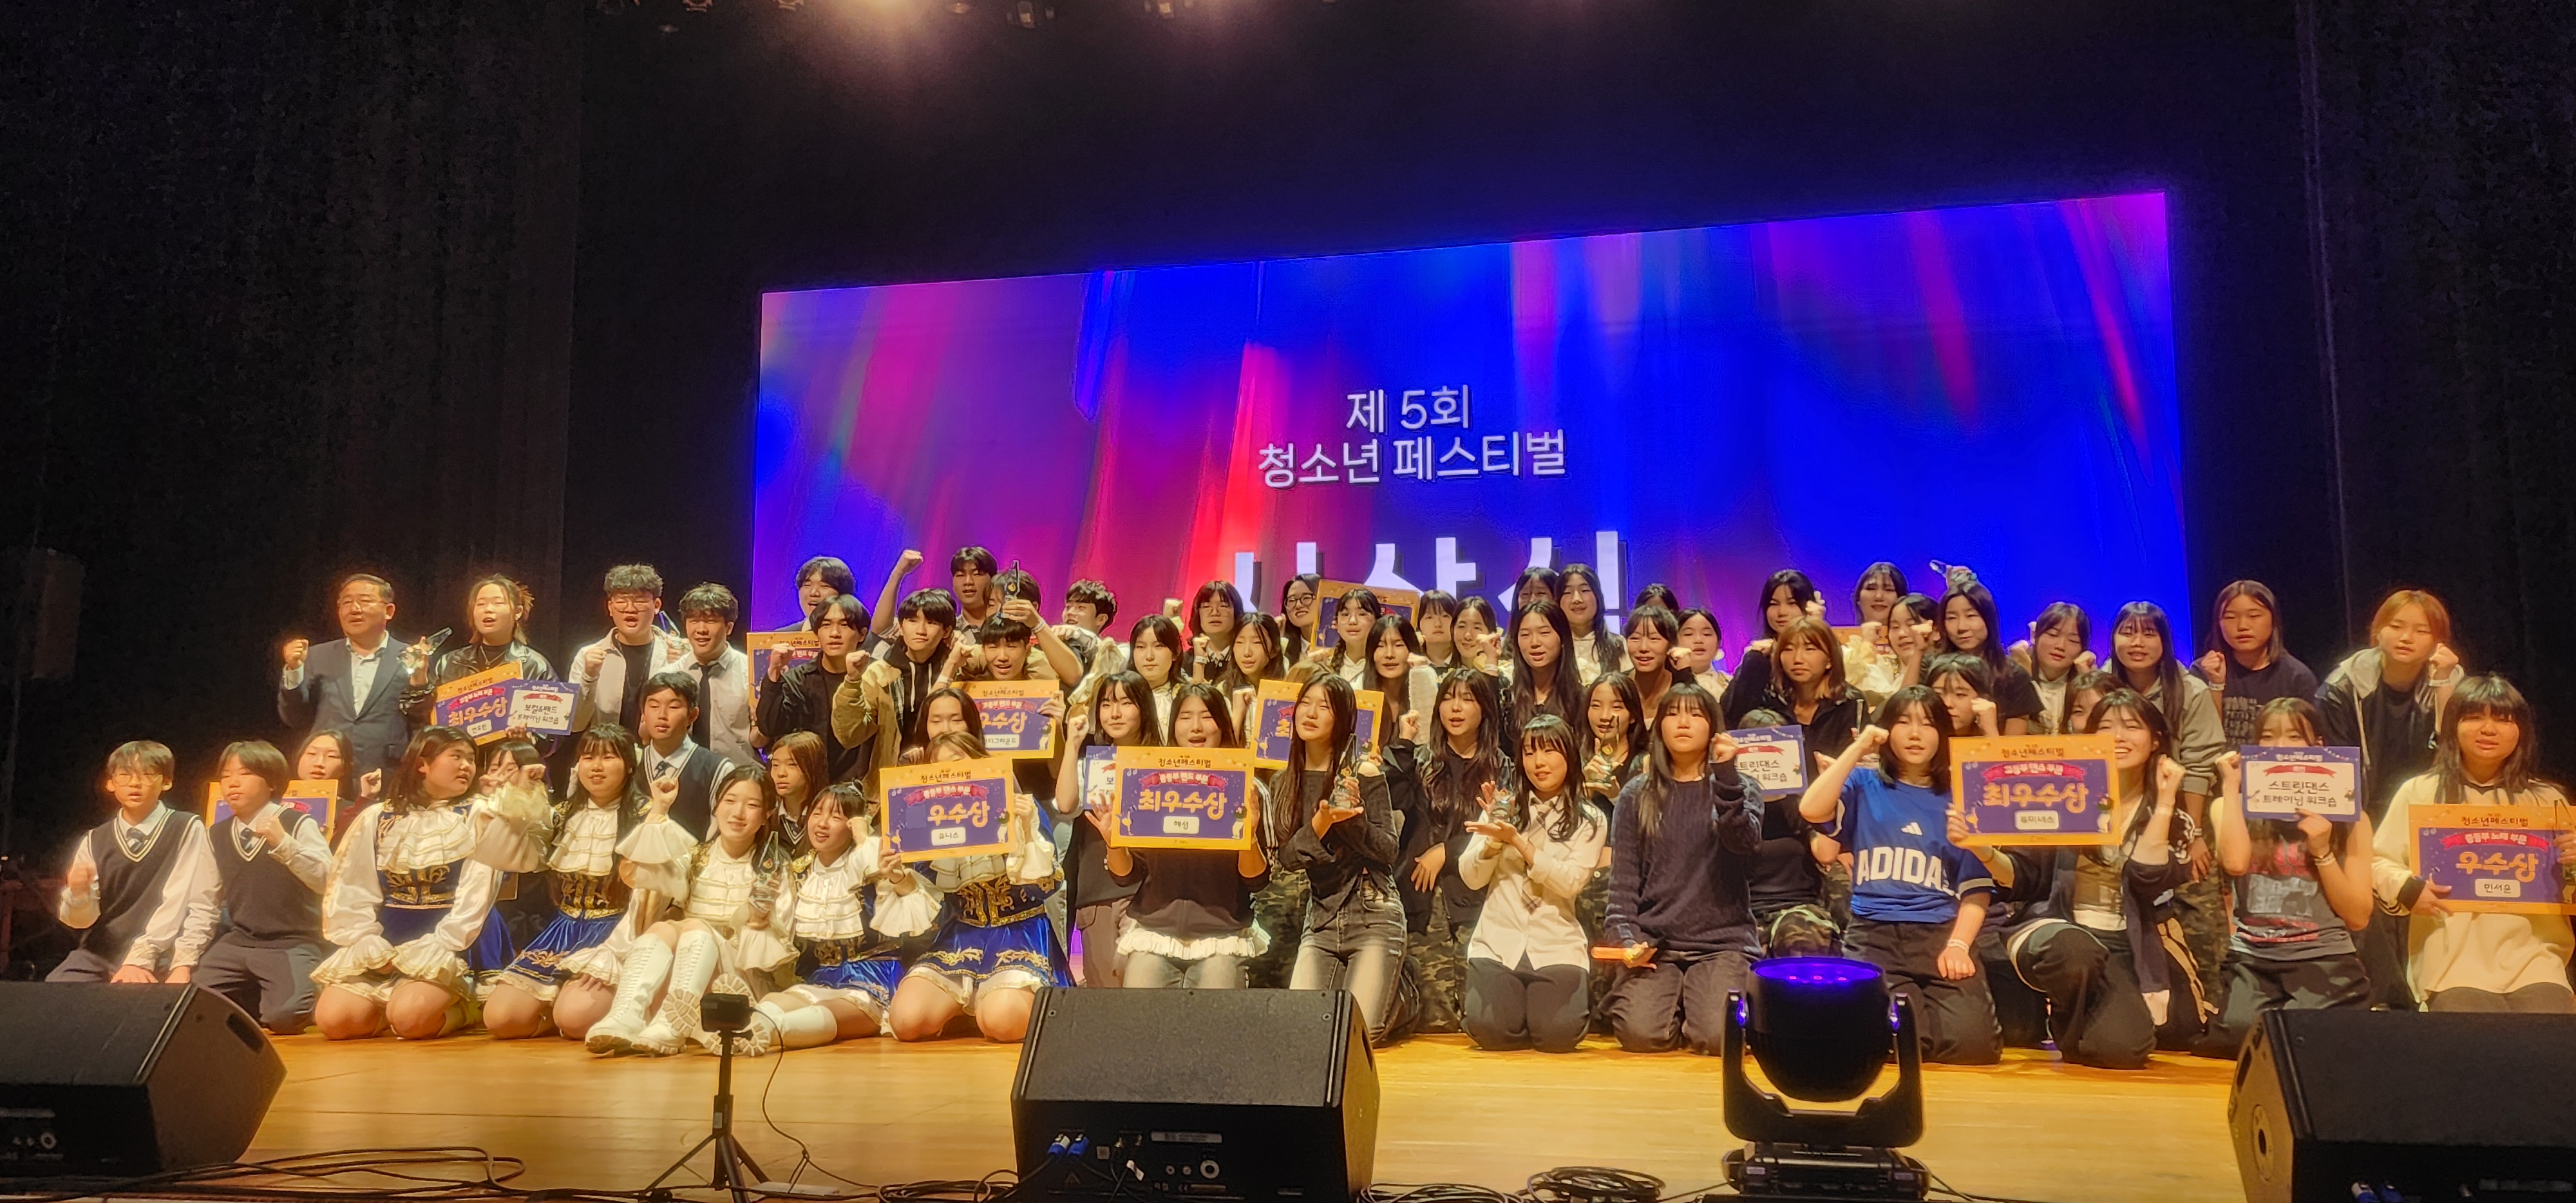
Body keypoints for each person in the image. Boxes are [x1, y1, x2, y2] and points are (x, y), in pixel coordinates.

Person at [1988, 691, 2209, 1068]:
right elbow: (2022, 877)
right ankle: (2063, 1011)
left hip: (2125, 940)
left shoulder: (2173, 819)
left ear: (2156, 740)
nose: (2118, 737)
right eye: (2106, 727)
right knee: (2076, 951)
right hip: (2056, 927)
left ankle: (2072, 1027)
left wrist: (2166, 801)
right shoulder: (2059, 796)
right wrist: (1983, 851)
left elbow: (2147, 880)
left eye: (2132, 727)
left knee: (2127, 1049)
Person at [1801, 688, 2002, 1065]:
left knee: (1974, 1048)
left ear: (1943, 734)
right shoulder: (1863, 783)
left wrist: (1959, 945)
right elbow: (1811, 809)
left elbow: (1977, 890)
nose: (1915, 734)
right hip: (1874, 936)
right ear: (1887, 731)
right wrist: (1860, 747)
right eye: (1903, 722)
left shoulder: (1963, 795)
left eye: (1927, 724)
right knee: (1896, 1043)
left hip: (1939, 935)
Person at [2370, 675, 2576, 1013]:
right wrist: (2408, 888)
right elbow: (2378, 861)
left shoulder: (2548, 800)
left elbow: (2570, 883)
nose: (2488, 729)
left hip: (2537, 960)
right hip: (2452, 964)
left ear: (2521, 731)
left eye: (2503, 720)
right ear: (2453, 726)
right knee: (2472, 1034)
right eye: (2474, 717)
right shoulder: (2420, 792)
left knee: (2552, 1031)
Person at [476, 723, 687, 1041]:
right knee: (500, 1019)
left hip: (615, 932)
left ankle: (574, 1010)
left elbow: (653, 897)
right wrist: (521, 792)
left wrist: (616, 951)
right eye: (588, 758)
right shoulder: (563, 814)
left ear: (629, 765)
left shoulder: (646, 816)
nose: (596, 767)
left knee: (574, 1019)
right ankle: (553, 1012)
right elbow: (513, 855)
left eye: (608, 758)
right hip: (562, 931)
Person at [311, 728, 520, 1040]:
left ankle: (468, 1008)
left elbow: (478, 894)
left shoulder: (478, 815)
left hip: (457, 935)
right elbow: (351, 886)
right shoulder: (378, 817)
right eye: (456, 757)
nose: (467, 766)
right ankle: (391, 1007)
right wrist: (366, 941)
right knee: (335, 1021)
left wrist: (441, 943)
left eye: (471, 759)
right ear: (422, 764)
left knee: (411, 1018)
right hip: (391, 935)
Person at [2196, 699, 2374, 1057]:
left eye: (2294, 736)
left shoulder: (2351, 817)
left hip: (2323, 956)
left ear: (2318, 746)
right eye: (2267, 737)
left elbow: (2358, 916)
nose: (2279, 747)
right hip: (2254, 956)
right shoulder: (2228, 806)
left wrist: (2323, 852)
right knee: (2238, 1034)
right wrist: (2230, 787)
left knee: (2304, 1037)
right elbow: (2235, 863)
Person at [583, 765, 796, 1056]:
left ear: (767, 815)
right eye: (730, 801)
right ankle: (626, 1015)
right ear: (716, 806)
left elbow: (778, 948)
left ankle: (674, 1023)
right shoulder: (697, 857)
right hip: (686, 968)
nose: (738, 813)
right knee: (662, 928)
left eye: (752, 805)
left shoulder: (773, 867)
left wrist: (754, 919)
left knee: (693, 927)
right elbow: (650, 872)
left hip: (740, 977)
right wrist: (660, 808)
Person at [1600, 683, 1762, 1055]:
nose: (1683, 723)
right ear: (1659, 727)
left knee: (1718, 1037)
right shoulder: (1635, 795)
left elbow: (1744, 843)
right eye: (1672, 714)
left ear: (1713, 727)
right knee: (1640, 1035)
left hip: (1722, 943)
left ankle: (1702, 1003)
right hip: (1656, 945)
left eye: (1695, 714)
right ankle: (1677, 1003)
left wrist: (1726, 777)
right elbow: (1622, 887)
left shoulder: (1742, 786)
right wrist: (1627, 940)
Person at [890, 732, 1068, 1044]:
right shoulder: (928, 825)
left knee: (1002, 1022)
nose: (950, 774)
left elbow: (1045, 888)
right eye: (939, 769)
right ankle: (966, 1006)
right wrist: (898, 878)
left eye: (958, 762)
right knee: (906, 1021)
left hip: (1021, 931)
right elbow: (935, 908)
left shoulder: (1021, 807)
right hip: (962, 935)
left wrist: (1026, 830)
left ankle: (990, 1003)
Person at [739, 784, 933, 1053]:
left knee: (822, 1012)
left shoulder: (870, 864)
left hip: (873, 976)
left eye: (836, 816)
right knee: (771, 1003)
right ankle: (740, 1029)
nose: (822, 824)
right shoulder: (798, 872)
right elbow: (783, 934)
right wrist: (760, 915)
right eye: (817, 813)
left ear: (853, 825)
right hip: (822, 976)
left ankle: (763, 1033)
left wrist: (868, 842)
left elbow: (911, 909)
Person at [1104, 683, 1271, 989]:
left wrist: (1248, 838)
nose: (1196, 726)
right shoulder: (1146, 781)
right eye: (1185, 717)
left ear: (1222, 724)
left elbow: (1257, 880)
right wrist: (1114, 842)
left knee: (1213, 1013)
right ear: (1173, 726)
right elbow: (1126, 876)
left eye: (1207, 716)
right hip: (1154, 931)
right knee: (1137, 1011)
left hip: (1222, 935)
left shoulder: (1247, 787)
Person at [1459, 715, 1607, 1053]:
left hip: (1556, 942)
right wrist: (1493, 842)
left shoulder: (1589, 818)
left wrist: (1518, 842)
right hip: (1498, 942)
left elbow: (1569, 882)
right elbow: (1471, 877)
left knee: (1558, 1035)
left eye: (1549, 751)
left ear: (1569, 755)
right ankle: (1513, 1012)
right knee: (1490, 1030)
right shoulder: (1504, 807)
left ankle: (1536, 1013)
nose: (1538, 762)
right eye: (1529, 753)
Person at [1275, 675, 1405, 1042]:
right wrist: (1323, 821)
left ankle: (1403, 993)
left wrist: (1354, 820)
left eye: (1325, 706)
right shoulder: (1284, 781)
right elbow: (1288, 858)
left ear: (1343, 719)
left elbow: (1388, 850)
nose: (1311, 713)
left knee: (1360, 1034)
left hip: (1373, 909)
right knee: (1303, 1031)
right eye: (1305, 703)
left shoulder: (1363, 772)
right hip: (1321, 917)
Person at [2107, 601, 2228, 988]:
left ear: (2165, 641)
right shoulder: (2100, 685)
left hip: (2180, 815)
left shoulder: (2190, 690)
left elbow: (2200, 765)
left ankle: (2211, 1000)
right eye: (2128, 632)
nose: (2137, 642)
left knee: (2199, 912)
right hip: (2114, 815)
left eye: (2149, 633)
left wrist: (2194, 834)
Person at [190, 740, 332, 1034]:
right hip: (240, 940)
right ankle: (259, 996)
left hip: (292, 941)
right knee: (190, 1005)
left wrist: (284, 844)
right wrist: (185, 960)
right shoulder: (216, 834)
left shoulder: (298, 823)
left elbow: (328, 881)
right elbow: (205, 901)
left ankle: (315, 990)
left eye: (244, 774)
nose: (233, 783)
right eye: (226, 776)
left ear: (271, 782)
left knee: (285, 1017)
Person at [50, 741, 218, 984]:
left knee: (139, 1001)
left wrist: (147, 958)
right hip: (102, 953)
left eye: (147, 774)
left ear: (166, 782)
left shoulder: (186, 828)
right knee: (55, 990)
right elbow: (81, 922)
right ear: (110, 784)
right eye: (125, 775)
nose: (135, 783)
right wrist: (78, 894)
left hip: (163, 951)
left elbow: (190, 901)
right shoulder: (95, 839)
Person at [1395, 668, 1504, 1036]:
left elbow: (1507, 829)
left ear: (1484, 709)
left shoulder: (1502, 767)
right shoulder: (1421, 761)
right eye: (1448, 698)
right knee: (1435, 1024)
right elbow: (1392, 800)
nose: (1455, 708)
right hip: (1425, 901)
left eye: (1467, 699)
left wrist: (1448, 849)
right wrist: (1403, 745)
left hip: (1480, 899)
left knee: (1483, 1021)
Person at [1052, 671, 1159, 987]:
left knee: (1141, 987)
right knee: (1103, 991)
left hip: (1148, 892)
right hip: (1098, 891)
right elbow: (1065, 804)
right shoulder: (1093, 763)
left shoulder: (1164, 761)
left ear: (1144, 708)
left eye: (1126, 703)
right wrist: (1072, 745)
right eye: (1107, 704)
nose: (1115, 713)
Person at [278, 573, 413, 775]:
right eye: (347, 602)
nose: (354, 609)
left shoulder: (413, 657)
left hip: (388, 770)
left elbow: (422, 719)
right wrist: (294, 670)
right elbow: (294, 718)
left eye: (365, 601)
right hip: (328, 772)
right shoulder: (316, 656)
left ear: (389, 611)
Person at [1737, 707, 1840, 958]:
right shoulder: (1730, 806)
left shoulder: (1804, 804)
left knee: (1800, 935)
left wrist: (1830, 791)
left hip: (1799, 909)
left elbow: (1826, 854)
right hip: (1742, 911)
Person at [400, 574, 559, 727]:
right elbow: (420, 719)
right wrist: (419, 677)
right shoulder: (450, 663)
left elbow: (550, 728)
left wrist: (527, 739)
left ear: (517, 612)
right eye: (481, 604)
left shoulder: (535, 666)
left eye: (498, 603)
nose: (488, 609)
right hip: (458, 746)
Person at [835, 587, 958, 784]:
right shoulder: (878, 673)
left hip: (950, 776)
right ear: (900, 627)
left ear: (947, 631)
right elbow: (851, 735)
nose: (921, 630)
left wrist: (958, 654)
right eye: (912, 621)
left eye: (932, 623)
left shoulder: (958, 667)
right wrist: (851, 683)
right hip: (891, 781)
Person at [759, 594, 876, 785]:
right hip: (809, 783)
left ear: (862, 634)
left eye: (844, 625)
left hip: (862, 783)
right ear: (816, 632)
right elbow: (770, 727)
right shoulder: (798, 679)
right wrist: (774, 672)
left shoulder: (877, 676)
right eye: (826, 625)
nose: (834, 633)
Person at [2195, 581, 2320, 745]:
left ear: (2274, 620)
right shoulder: (2201, 672)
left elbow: (2310, 740)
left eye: (2254, 616)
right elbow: (2202, 740)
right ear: (2218, 624)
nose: (2242, 626)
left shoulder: (2297, 677)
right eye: (2230, 617)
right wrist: (2216, 685)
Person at [571, 565, 689, 737]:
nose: (630, 608)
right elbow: (575, 724)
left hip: (660, 750)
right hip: (609, 750)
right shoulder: (588, 656)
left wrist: (681, 667)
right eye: (621, 601)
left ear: (656, 605)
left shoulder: (678, 654)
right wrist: (589, 676)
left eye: (640, 601)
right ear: (610, 607)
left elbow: (690, 721)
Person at [1721, 616, 1864, 754]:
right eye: (1788, 649)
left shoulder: (1851, 703)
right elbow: (1731, 726)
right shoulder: (1768, 699)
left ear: (1830, 660)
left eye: (1809, 649)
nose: (1797, 659)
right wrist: (1753, 662)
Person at [634, 672, 735, 841]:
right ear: (643, 713)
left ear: (692, 715)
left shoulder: (718, 770)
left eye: (674, 707)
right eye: (654, 706)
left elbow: (719, 834)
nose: (662, 715)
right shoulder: (631, 763)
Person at [1934, 578, 2041, 734]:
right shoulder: (1933, 669)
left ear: (1989, 619)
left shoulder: (2014, 677)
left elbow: (2013, 746)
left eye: (1971, 616)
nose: (1961, 627)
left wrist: (1990, 730)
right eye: (1951, 618)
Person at [672, 583, 756, 768]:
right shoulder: (669, 675)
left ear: (729, 627)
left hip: (739, 776)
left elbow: (762, 738)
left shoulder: (751, 673)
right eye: (694, 621)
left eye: (710, 621)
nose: (701, 629)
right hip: (682, 776)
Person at [1506, 600, 1582, 755]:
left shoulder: (1581, 701)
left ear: (1563, 639)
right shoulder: (1506, 701)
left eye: (1544, 633)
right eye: (1525, 635)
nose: (1534, 643)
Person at [1842, 563, 1913, 710]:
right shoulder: (1842, 646)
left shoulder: (1913, 644)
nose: (1879, 596)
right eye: (1871, 588)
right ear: (1858, 599)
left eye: (1888, 590)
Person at [291, 728, 381, 842]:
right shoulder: (277, 804)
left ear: (344, 768)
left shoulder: (350, 812)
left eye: (331, 756)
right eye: (312, 754)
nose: (319, 763)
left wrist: (365, 799)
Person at [2022, 603, 2095, 735]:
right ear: (2035, 635)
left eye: (2073, 640)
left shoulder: (2084, 683)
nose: (2061, 646)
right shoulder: (2014, 675)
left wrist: (2089, 681)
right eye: (2053, 635)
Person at [1560, 565, 1625, 687]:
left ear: (1598, 596)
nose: (1577, 599)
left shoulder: (1619, 645)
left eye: (1585, 591)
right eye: (1568, 592)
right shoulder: (1552, 647)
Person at [1619, 605, 1683, 723]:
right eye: (1635, 638)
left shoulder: (1681, 688)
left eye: (1654, 639)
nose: (1643, 648)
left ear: (1671, 644)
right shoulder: (1617, 688)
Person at [767, 730, 829, 845]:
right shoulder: (767, 815)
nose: (781, 773)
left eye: (792, 765)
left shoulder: (829, 816)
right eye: (775, 765)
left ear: (813, 767)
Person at [1320, 588, 1383, 684]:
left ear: (1378, 621)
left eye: (1362, 614)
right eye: (1345, 615)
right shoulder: (1323, 667)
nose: (1353, 621)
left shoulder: (1387, 667)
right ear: (1336, 624)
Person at [1187, 580, 1247, 683]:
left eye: (1223, 606)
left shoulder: (1247, 659)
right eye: (1206, 607)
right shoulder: (1185, 662)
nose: (1215, 613)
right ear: (1198, 613)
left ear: (1236, 612)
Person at [781, 556, 857, 632]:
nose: (813, 593)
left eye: (824, 586)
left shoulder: (860, 637)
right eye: (807, 585)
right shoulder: (780, 636)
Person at [1674, 607, 1730, 696]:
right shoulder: (1664, 685)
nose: (1698, 640)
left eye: (1707, 634)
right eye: (1689, 634)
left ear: (1719, 643)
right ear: (1674, 642)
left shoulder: (1731, 684)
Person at [1280, 573, 1325, 665]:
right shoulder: (1283, 651)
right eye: (1292, 600)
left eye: (1306, 598)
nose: (1298, 605)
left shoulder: (1344, 646)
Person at [1416, 591, 1463, 672]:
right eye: (1429, 617)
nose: (1438, 624)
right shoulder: (1409, 663)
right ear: (1418, 624)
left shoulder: (1468, 661)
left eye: (1445, 616)